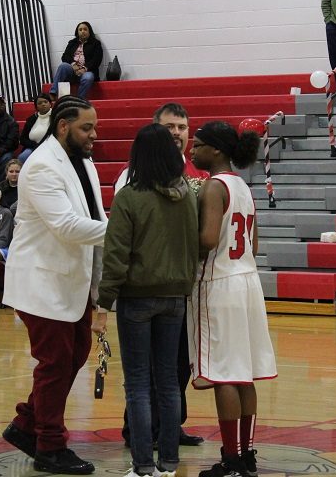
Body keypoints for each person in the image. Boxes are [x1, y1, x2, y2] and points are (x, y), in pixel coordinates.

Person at [0, 96, 108, 475]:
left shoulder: (85, 163)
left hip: (70, 283)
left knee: (75, 354)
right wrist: (125, 231)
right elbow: (66, 226)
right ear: (63, 127)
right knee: (56, 363)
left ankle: (27, 423)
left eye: (94, 127)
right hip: (41, 282)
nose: (94, 134)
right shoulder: (43, 165)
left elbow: (92, 218)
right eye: (86, 128)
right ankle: (49, 445)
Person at [92, 124, 199, 477]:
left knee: (138, 384)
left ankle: (142, 467)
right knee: (168, 383)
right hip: (175, 298)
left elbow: (116, 254)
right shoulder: (187, 196)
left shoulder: (129, 196)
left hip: (136, 299)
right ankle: (169, 463)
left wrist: (102, 304)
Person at [113, 102, 208, 449]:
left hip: (181, 286)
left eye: (182, 127)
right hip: (146, 285)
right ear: (155, 130)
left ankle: (170, 427)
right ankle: (138, 430)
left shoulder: (194, 172)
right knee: (147, 369)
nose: (177, 134)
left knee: (176, 364)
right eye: (169, 127)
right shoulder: (133, 176)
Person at [188, 121, 277, 477]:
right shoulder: (243, 186)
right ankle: (247, 454)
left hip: (219, 283)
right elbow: (253, 245)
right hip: (248, 280)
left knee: (224, 374)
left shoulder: (213, 187)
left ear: (217, 151)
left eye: (198, 146)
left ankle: (231, 458)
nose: (192, 151)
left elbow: (208, 239)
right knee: (244, 375)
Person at [49, 22, 104, 100]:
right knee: (63, 66)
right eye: (80, 29)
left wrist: (84, 68)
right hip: (72, 71)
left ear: (89, 31)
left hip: (86, 71)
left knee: (88, 77)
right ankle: (53, 93)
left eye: (85, 29)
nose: (82, 31)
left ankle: (79, 99)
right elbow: (65, 56)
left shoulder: (95, 43)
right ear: (77, 32)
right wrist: (73, 64)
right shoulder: (72, 43)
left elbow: (97, 59)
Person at [18, 93, 53, 162]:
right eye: (40, 103)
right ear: (36, 107)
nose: (43, 104)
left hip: (51, 147)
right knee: (22, 157)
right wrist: (35, 146)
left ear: (50, 104)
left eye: (45, 102)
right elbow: (22, 139)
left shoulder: (56, 117)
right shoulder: (32, 119)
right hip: (33, 147)